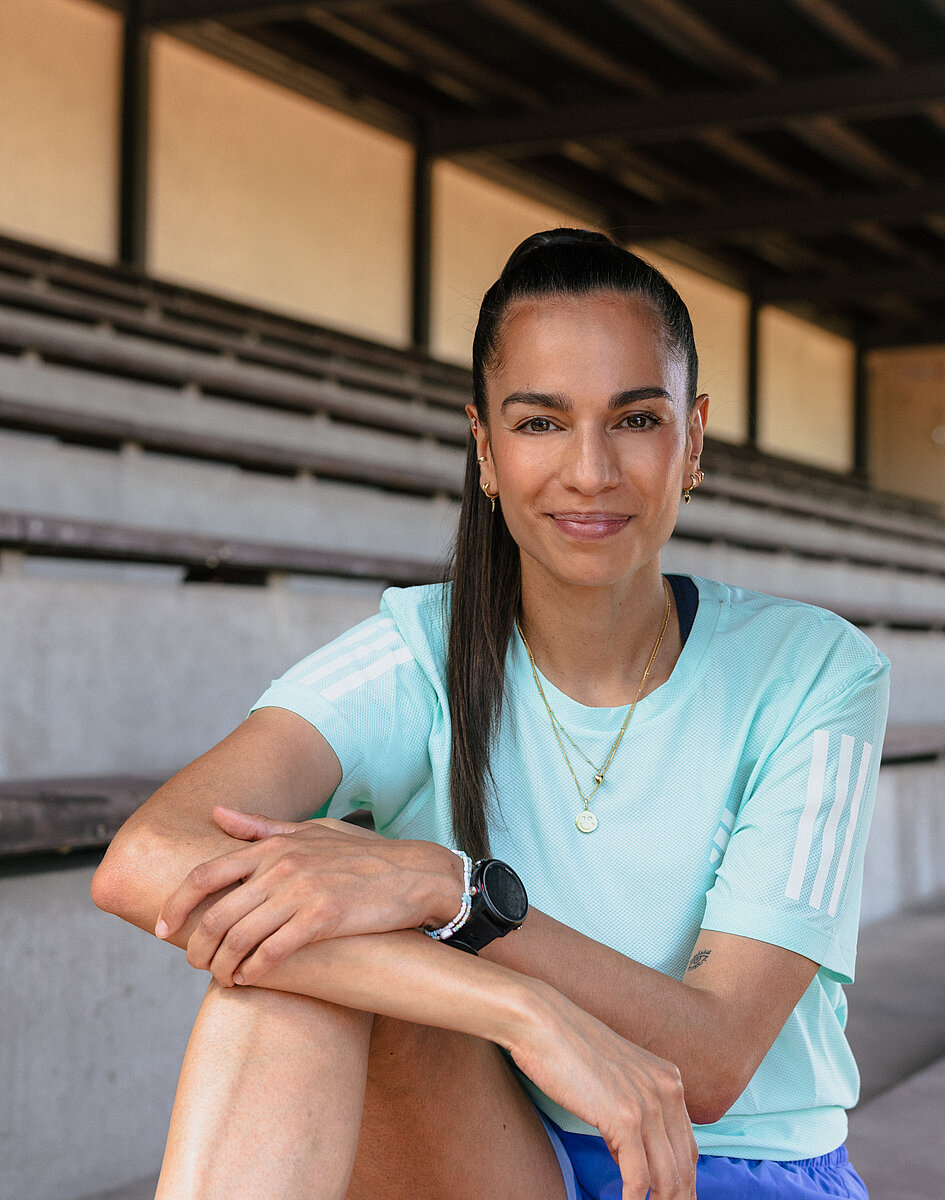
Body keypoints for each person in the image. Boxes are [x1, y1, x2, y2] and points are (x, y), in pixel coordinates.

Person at [92, 229, 889, 1200]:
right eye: (541, 423)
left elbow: (715, 1058)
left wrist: (453, 892)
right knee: (278, 978)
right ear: (485, 448)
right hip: (495, 1150)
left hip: (730, 1170)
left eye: (635, 419)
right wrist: (527, 1016)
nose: (589, 470)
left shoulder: (813, 672)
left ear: (693, 440)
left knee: (296, 944)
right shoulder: (417, 652)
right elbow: (146, 860)